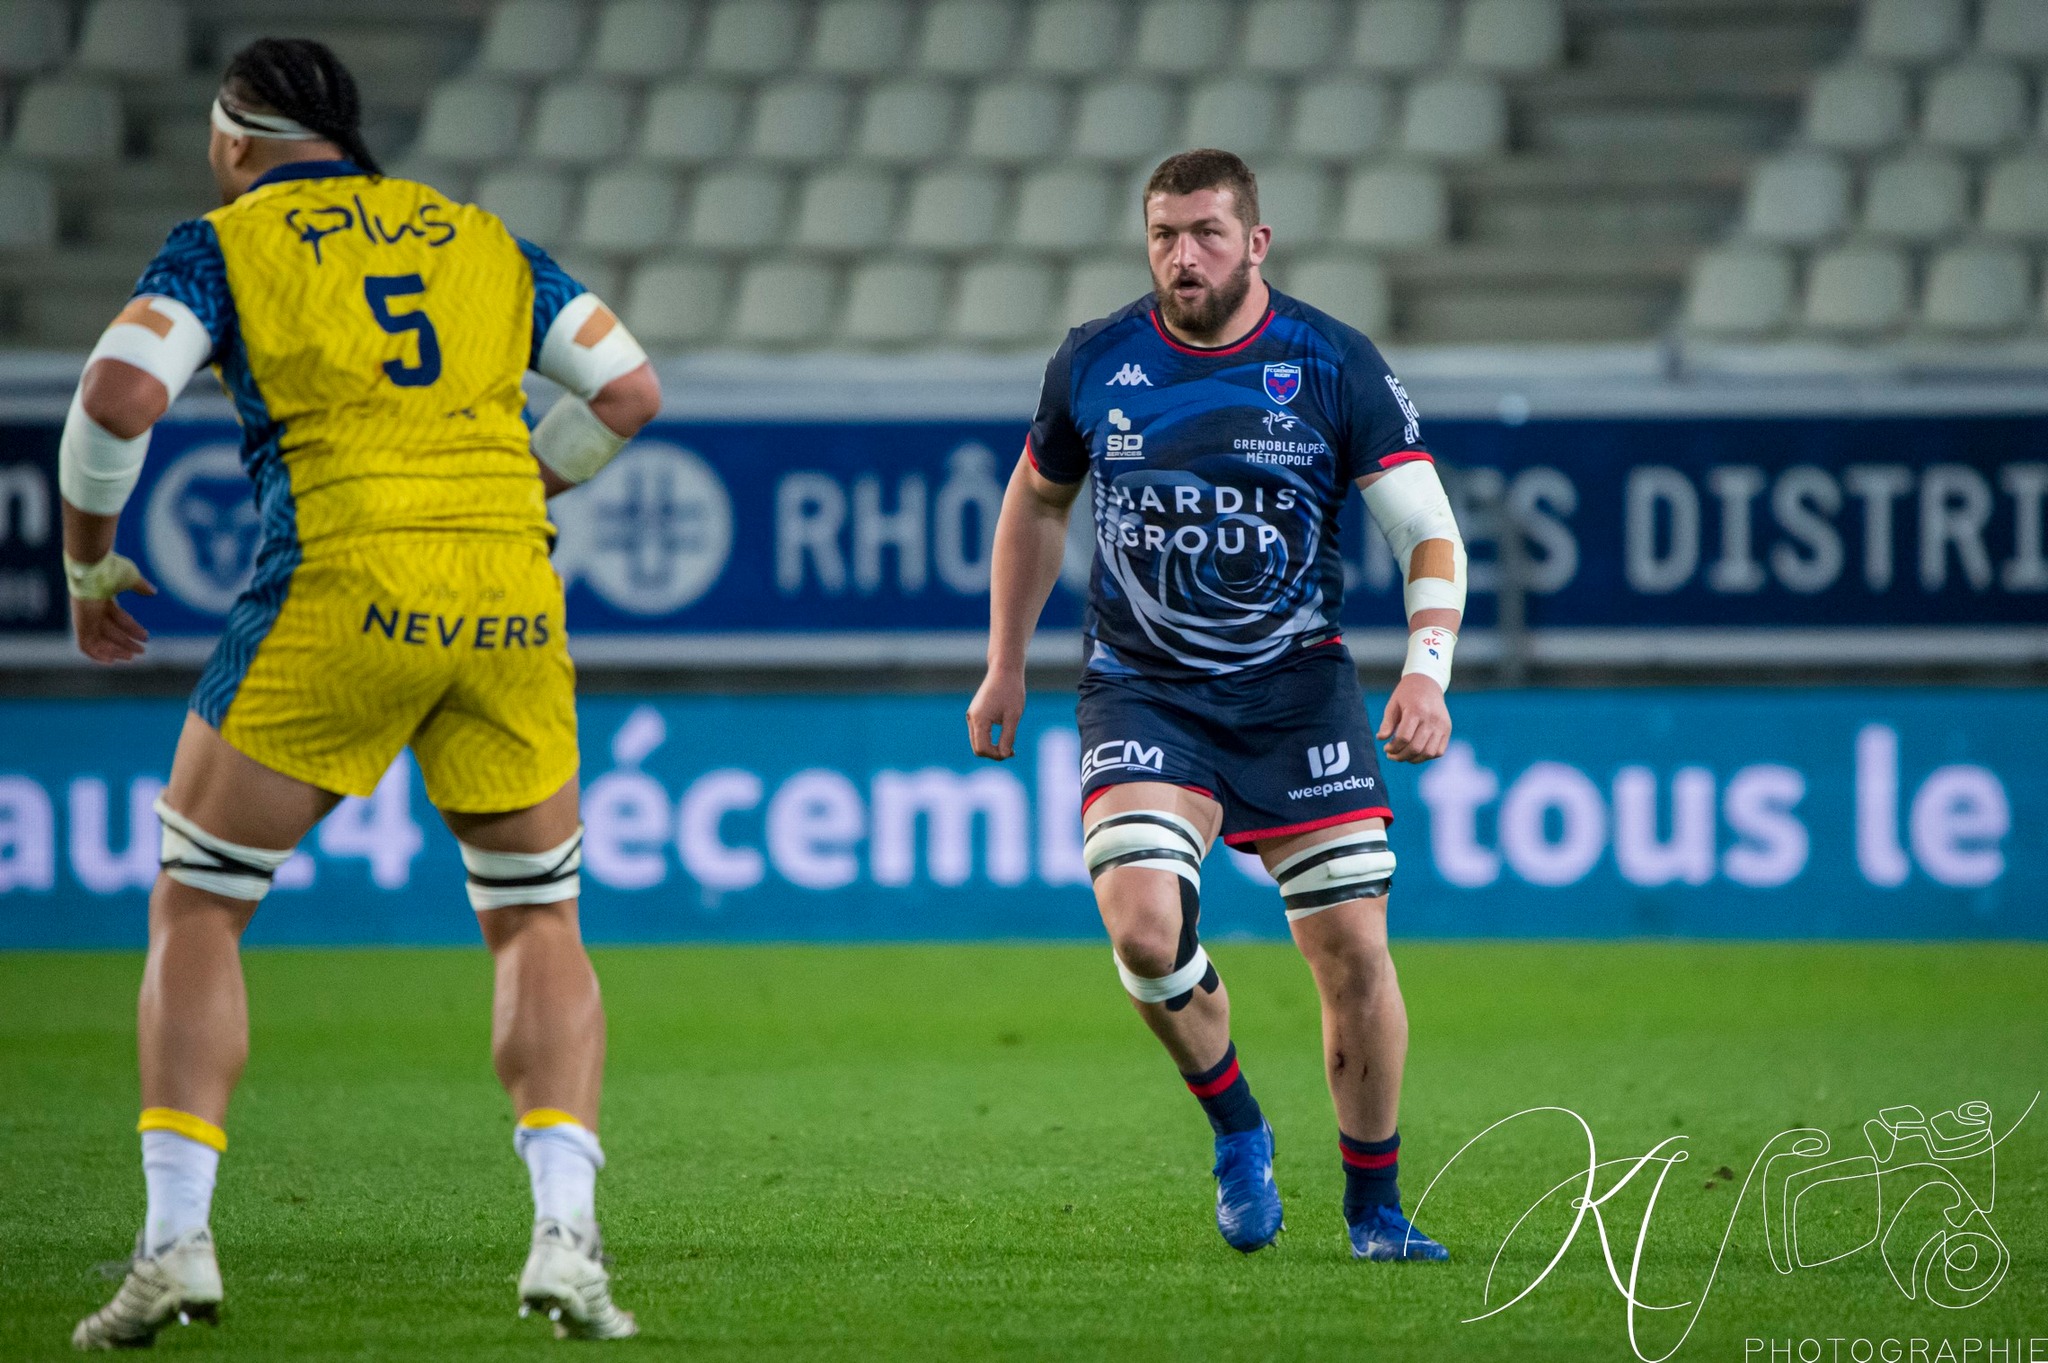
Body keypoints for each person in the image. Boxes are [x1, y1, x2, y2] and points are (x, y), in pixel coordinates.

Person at [64, 39, 657, 1348]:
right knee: (536, 917)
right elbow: (628, 387)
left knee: (202, 902)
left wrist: (90, 562)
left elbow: (113, 394)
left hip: (341, 589)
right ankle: (568, 1237)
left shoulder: (224, 242)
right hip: (506, 591)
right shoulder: (482, 239)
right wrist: (520, 489)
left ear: (232, 143)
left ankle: (174, 1240)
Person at [968, 149, 1465, 1261]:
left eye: (1202, 232)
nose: (1180, 255)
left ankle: (1373, 1211)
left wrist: (1424, 666)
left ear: (1256, 241)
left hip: (1295, 695)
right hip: (1145, 688)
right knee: (1144, 933)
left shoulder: (1331, 360)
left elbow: (1425, 529)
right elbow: (1035, 506)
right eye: (1161, 235)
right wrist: (1004, 661)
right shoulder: (1096, 361)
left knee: (1348, 950)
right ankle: (1238, 1126)